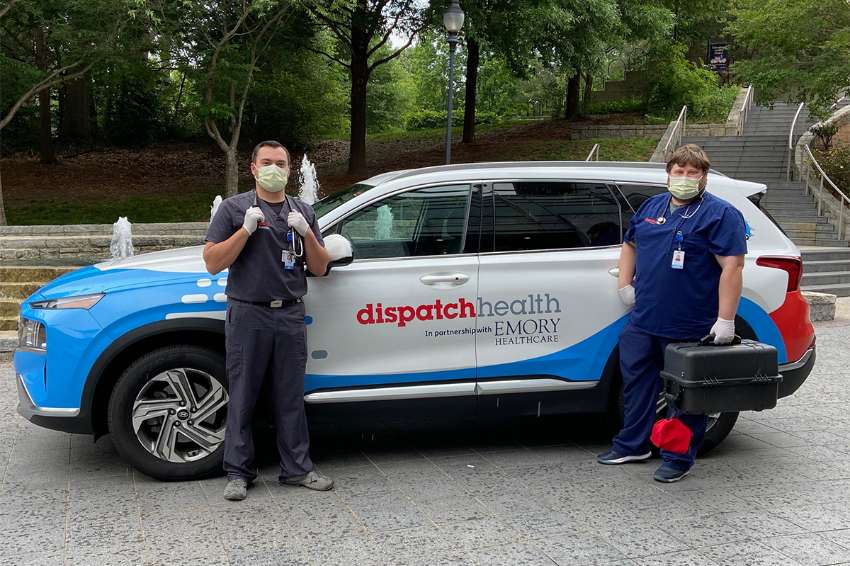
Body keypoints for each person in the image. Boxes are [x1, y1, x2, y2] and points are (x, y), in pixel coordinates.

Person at [597, 144, 747, 483]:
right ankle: (632, 444)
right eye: (678, 172)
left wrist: (726, 320)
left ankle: (678, 459)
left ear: (703, 177)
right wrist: (625, 284)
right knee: (636, 384)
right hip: (645, 319)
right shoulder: (652, 206)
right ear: (668, 174)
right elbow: (630, 244)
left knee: (684, 395)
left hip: (689, 324)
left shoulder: (721, 214)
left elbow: (733, 267)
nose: (684, 178)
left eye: (692, 173)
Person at [204, 140, 334, 501]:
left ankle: (297, 469)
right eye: (267, 162)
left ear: (291, 170)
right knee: (244, 393)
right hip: (249, 312)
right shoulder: (233, 209)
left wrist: (306, 233)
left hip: (290, 313)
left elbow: (320, 266)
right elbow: (213, 261)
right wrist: (245, 230)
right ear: (253, 168)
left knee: (290, 395)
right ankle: (238, 472)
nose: (274, 169)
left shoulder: (303, 211)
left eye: (281, 163)